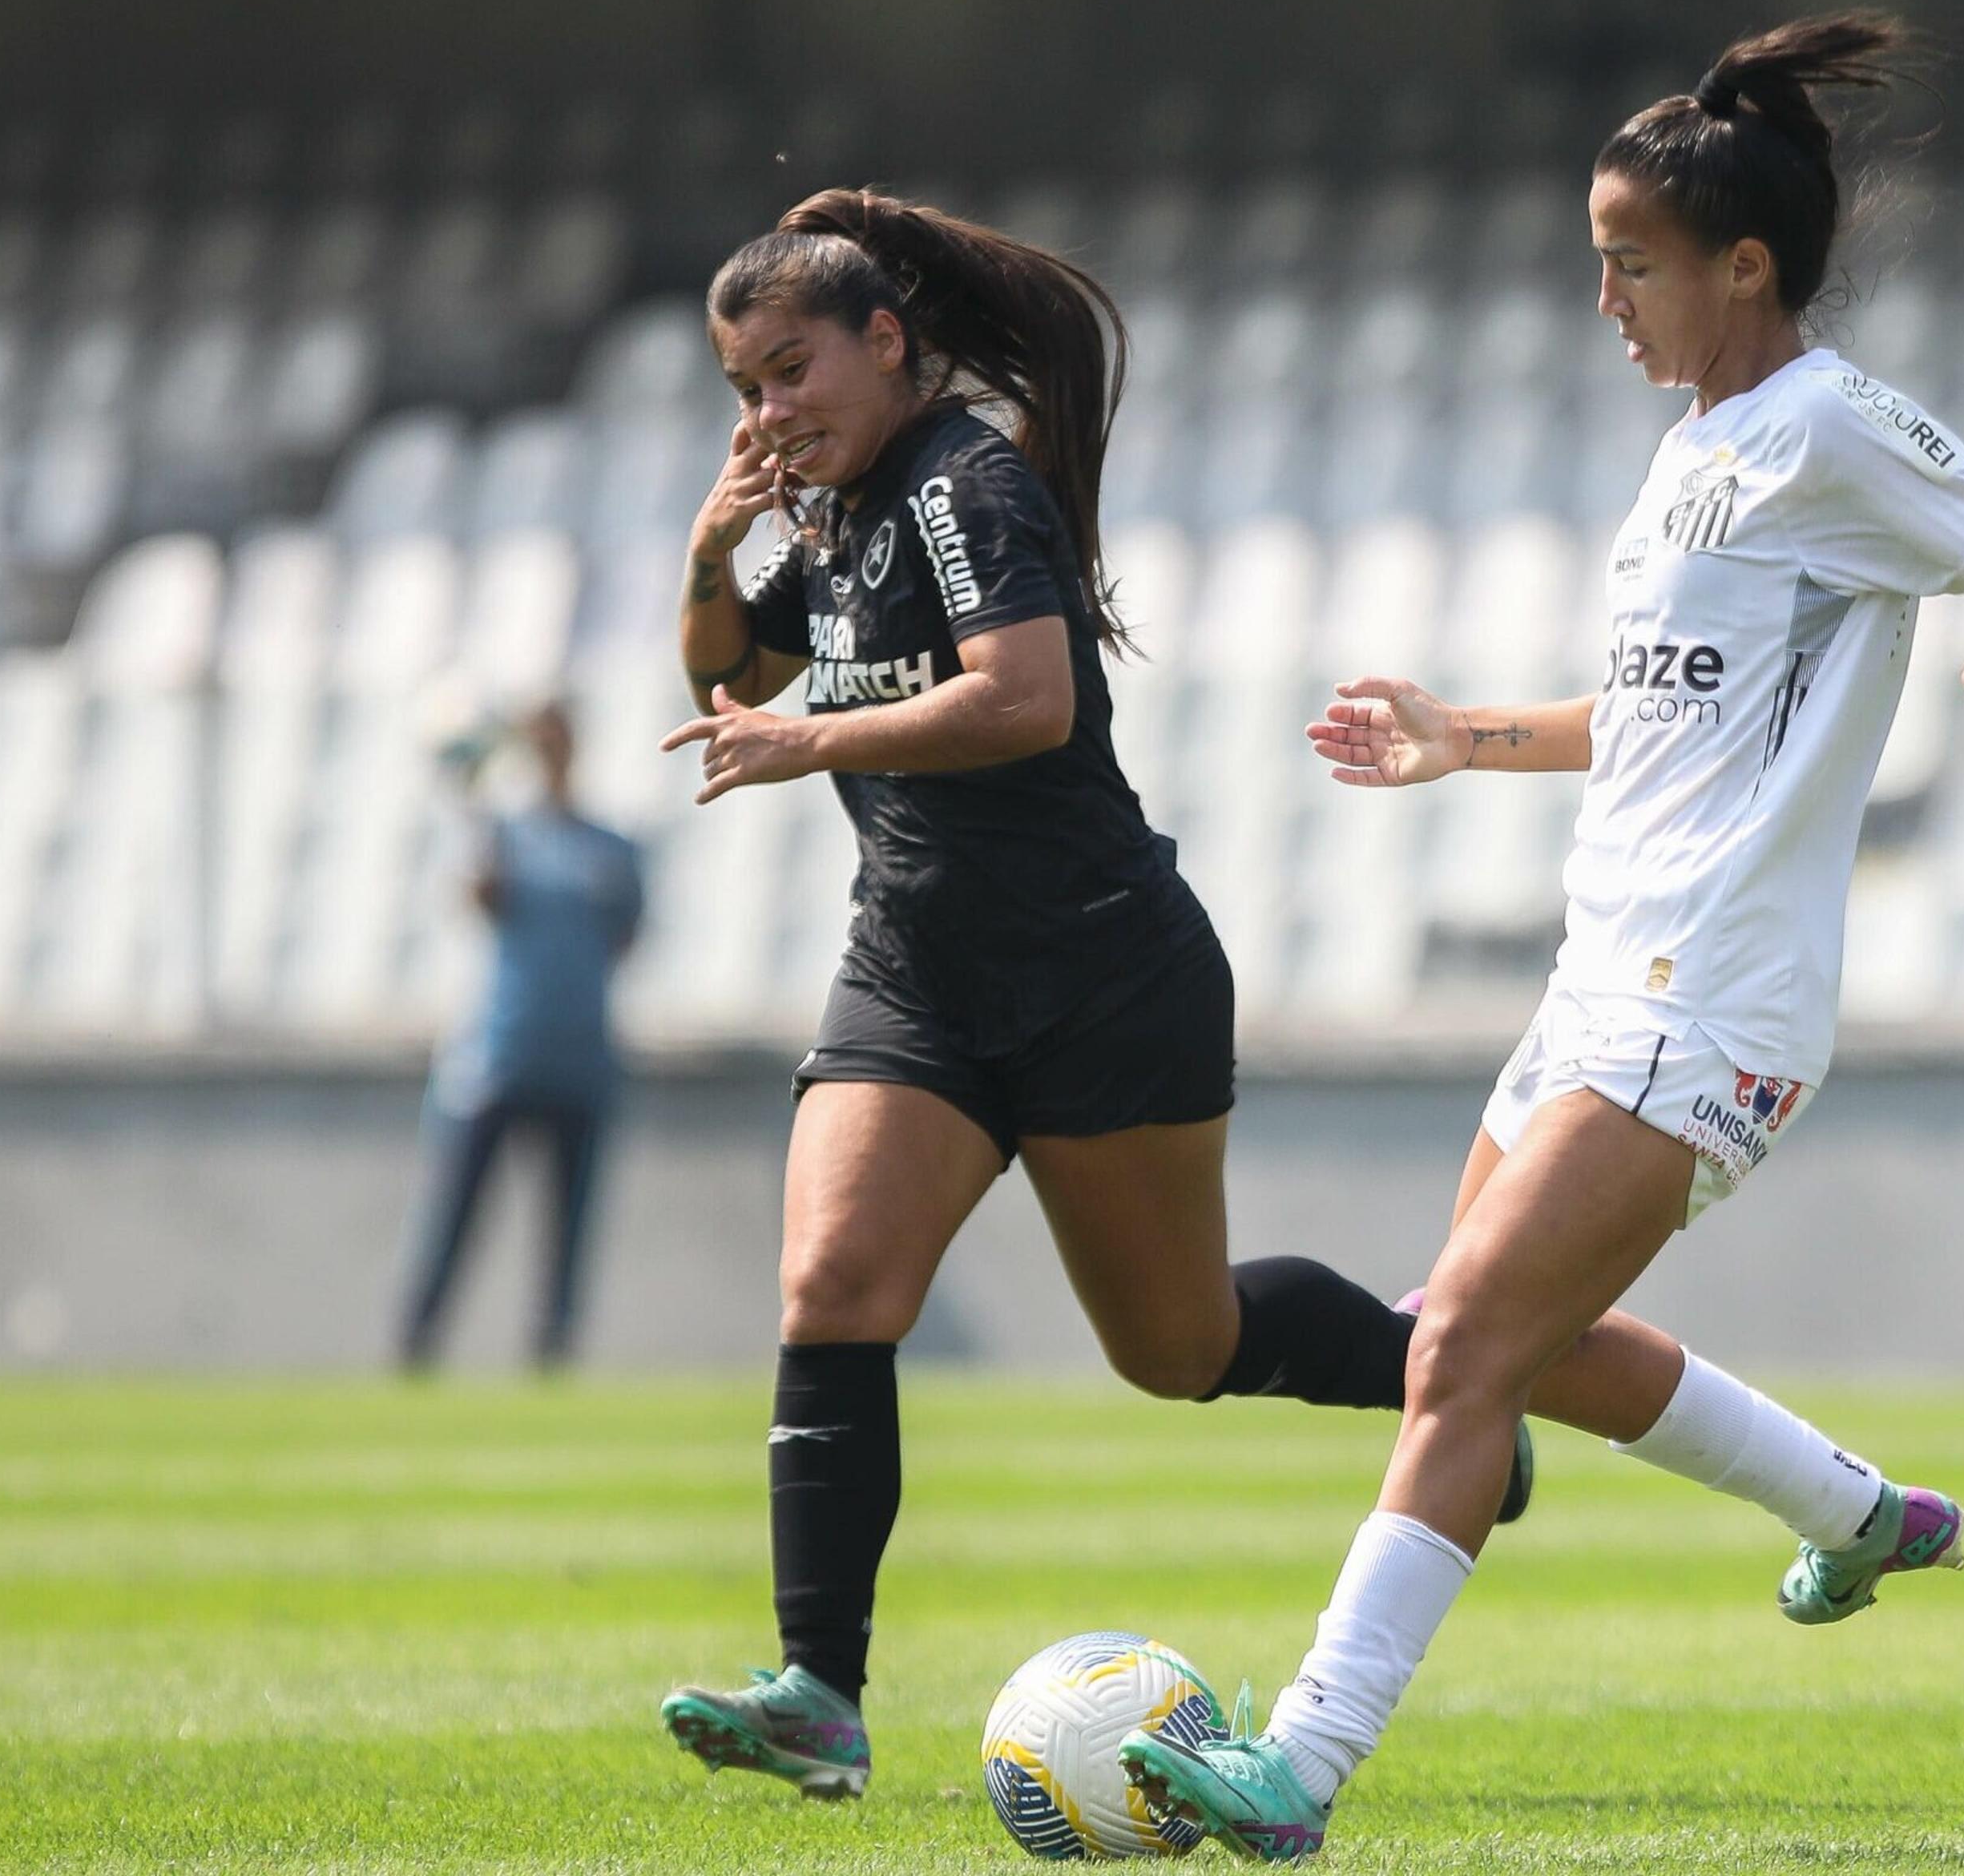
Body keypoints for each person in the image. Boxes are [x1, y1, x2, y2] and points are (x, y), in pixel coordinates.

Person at [1119, 14, 1964, 1861]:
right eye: (1592, 260)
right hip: (1599, 970)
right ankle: (1860, 1510)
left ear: (1742, 265)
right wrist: (1456, 737)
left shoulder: (1826, 423)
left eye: (1626, 261)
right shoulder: (1695, 454)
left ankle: (1300, 1764)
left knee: (1460, 1350)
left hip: (1713, 992)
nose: (1601, 299)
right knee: (1515, 1338)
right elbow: (1657, 711)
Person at [648, 188, 1539, 1801]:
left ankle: (1447, 1384)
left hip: (1098, 971)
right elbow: (731, 675)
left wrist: (808, 746)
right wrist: (714, 547)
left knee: (1178, 1347)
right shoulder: (833, 506)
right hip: (916, 974)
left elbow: (1028, 698)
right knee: (834, 1285)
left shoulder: (960, 478)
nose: (771, 412)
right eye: (743, 391)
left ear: (888, 342)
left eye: (792, 373)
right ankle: (821, 1694)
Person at [393, 700, 644, 1371]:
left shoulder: (611, 847)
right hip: (497, 1057)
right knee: (455, 1216)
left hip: (581, 1061)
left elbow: (627, 937)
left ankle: (553, 1353)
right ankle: (416, 1343)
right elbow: (476, 897)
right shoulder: (502, 834)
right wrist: (468, 805)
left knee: (567, 1230)